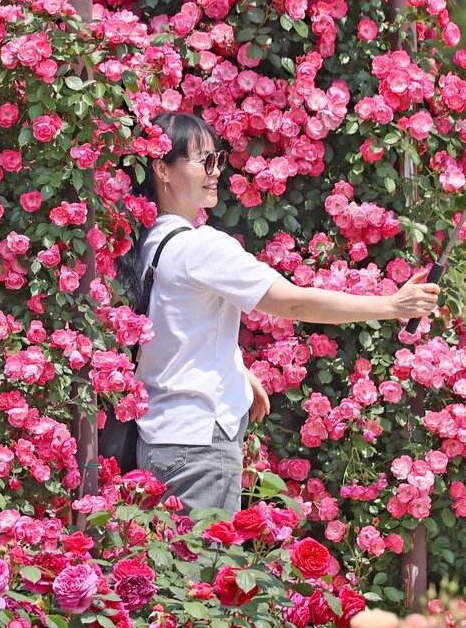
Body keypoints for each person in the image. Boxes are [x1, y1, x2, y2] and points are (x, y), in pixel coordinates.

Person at [116, 112, 441, 515]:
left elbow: (178, 329)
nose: (216, 171)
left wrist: (237, 368)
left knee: (174, 572)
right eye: (204, 161)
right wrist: (392, 305)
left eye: (217, 159)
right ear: (162, 169)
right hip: (200, 449)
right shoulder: (201, 247)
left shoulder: (147, 242)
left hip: (160, 443)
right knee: (204, 571)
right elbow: (294, 302)